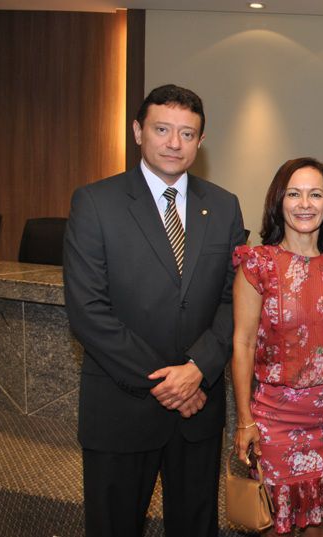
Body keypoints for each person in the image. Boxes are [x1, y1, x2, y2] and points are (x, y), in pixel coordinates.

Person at [63, 84, 244, 537]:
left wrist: (198, 369)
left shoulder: (223, 206)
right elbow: (88, 311)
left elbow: (233, 300)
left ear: (201, 142)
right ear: (138, 131)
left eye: (187, 133)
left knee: (195, 526)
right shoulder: (95, 202)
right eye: (162, 129)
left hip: (197, 415)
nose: (174, 143)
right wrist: (173, 382)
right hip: (122, 407)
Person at [231, 157, 323, 536]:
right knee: (274, 524)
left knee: (320, 523)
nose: (305, 204)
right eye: (294, 194)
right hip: (274, 419)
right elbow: (243, 343)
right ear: (278, 201)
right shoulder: (258, 263)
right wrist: (244, 421)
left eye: (315, 194)